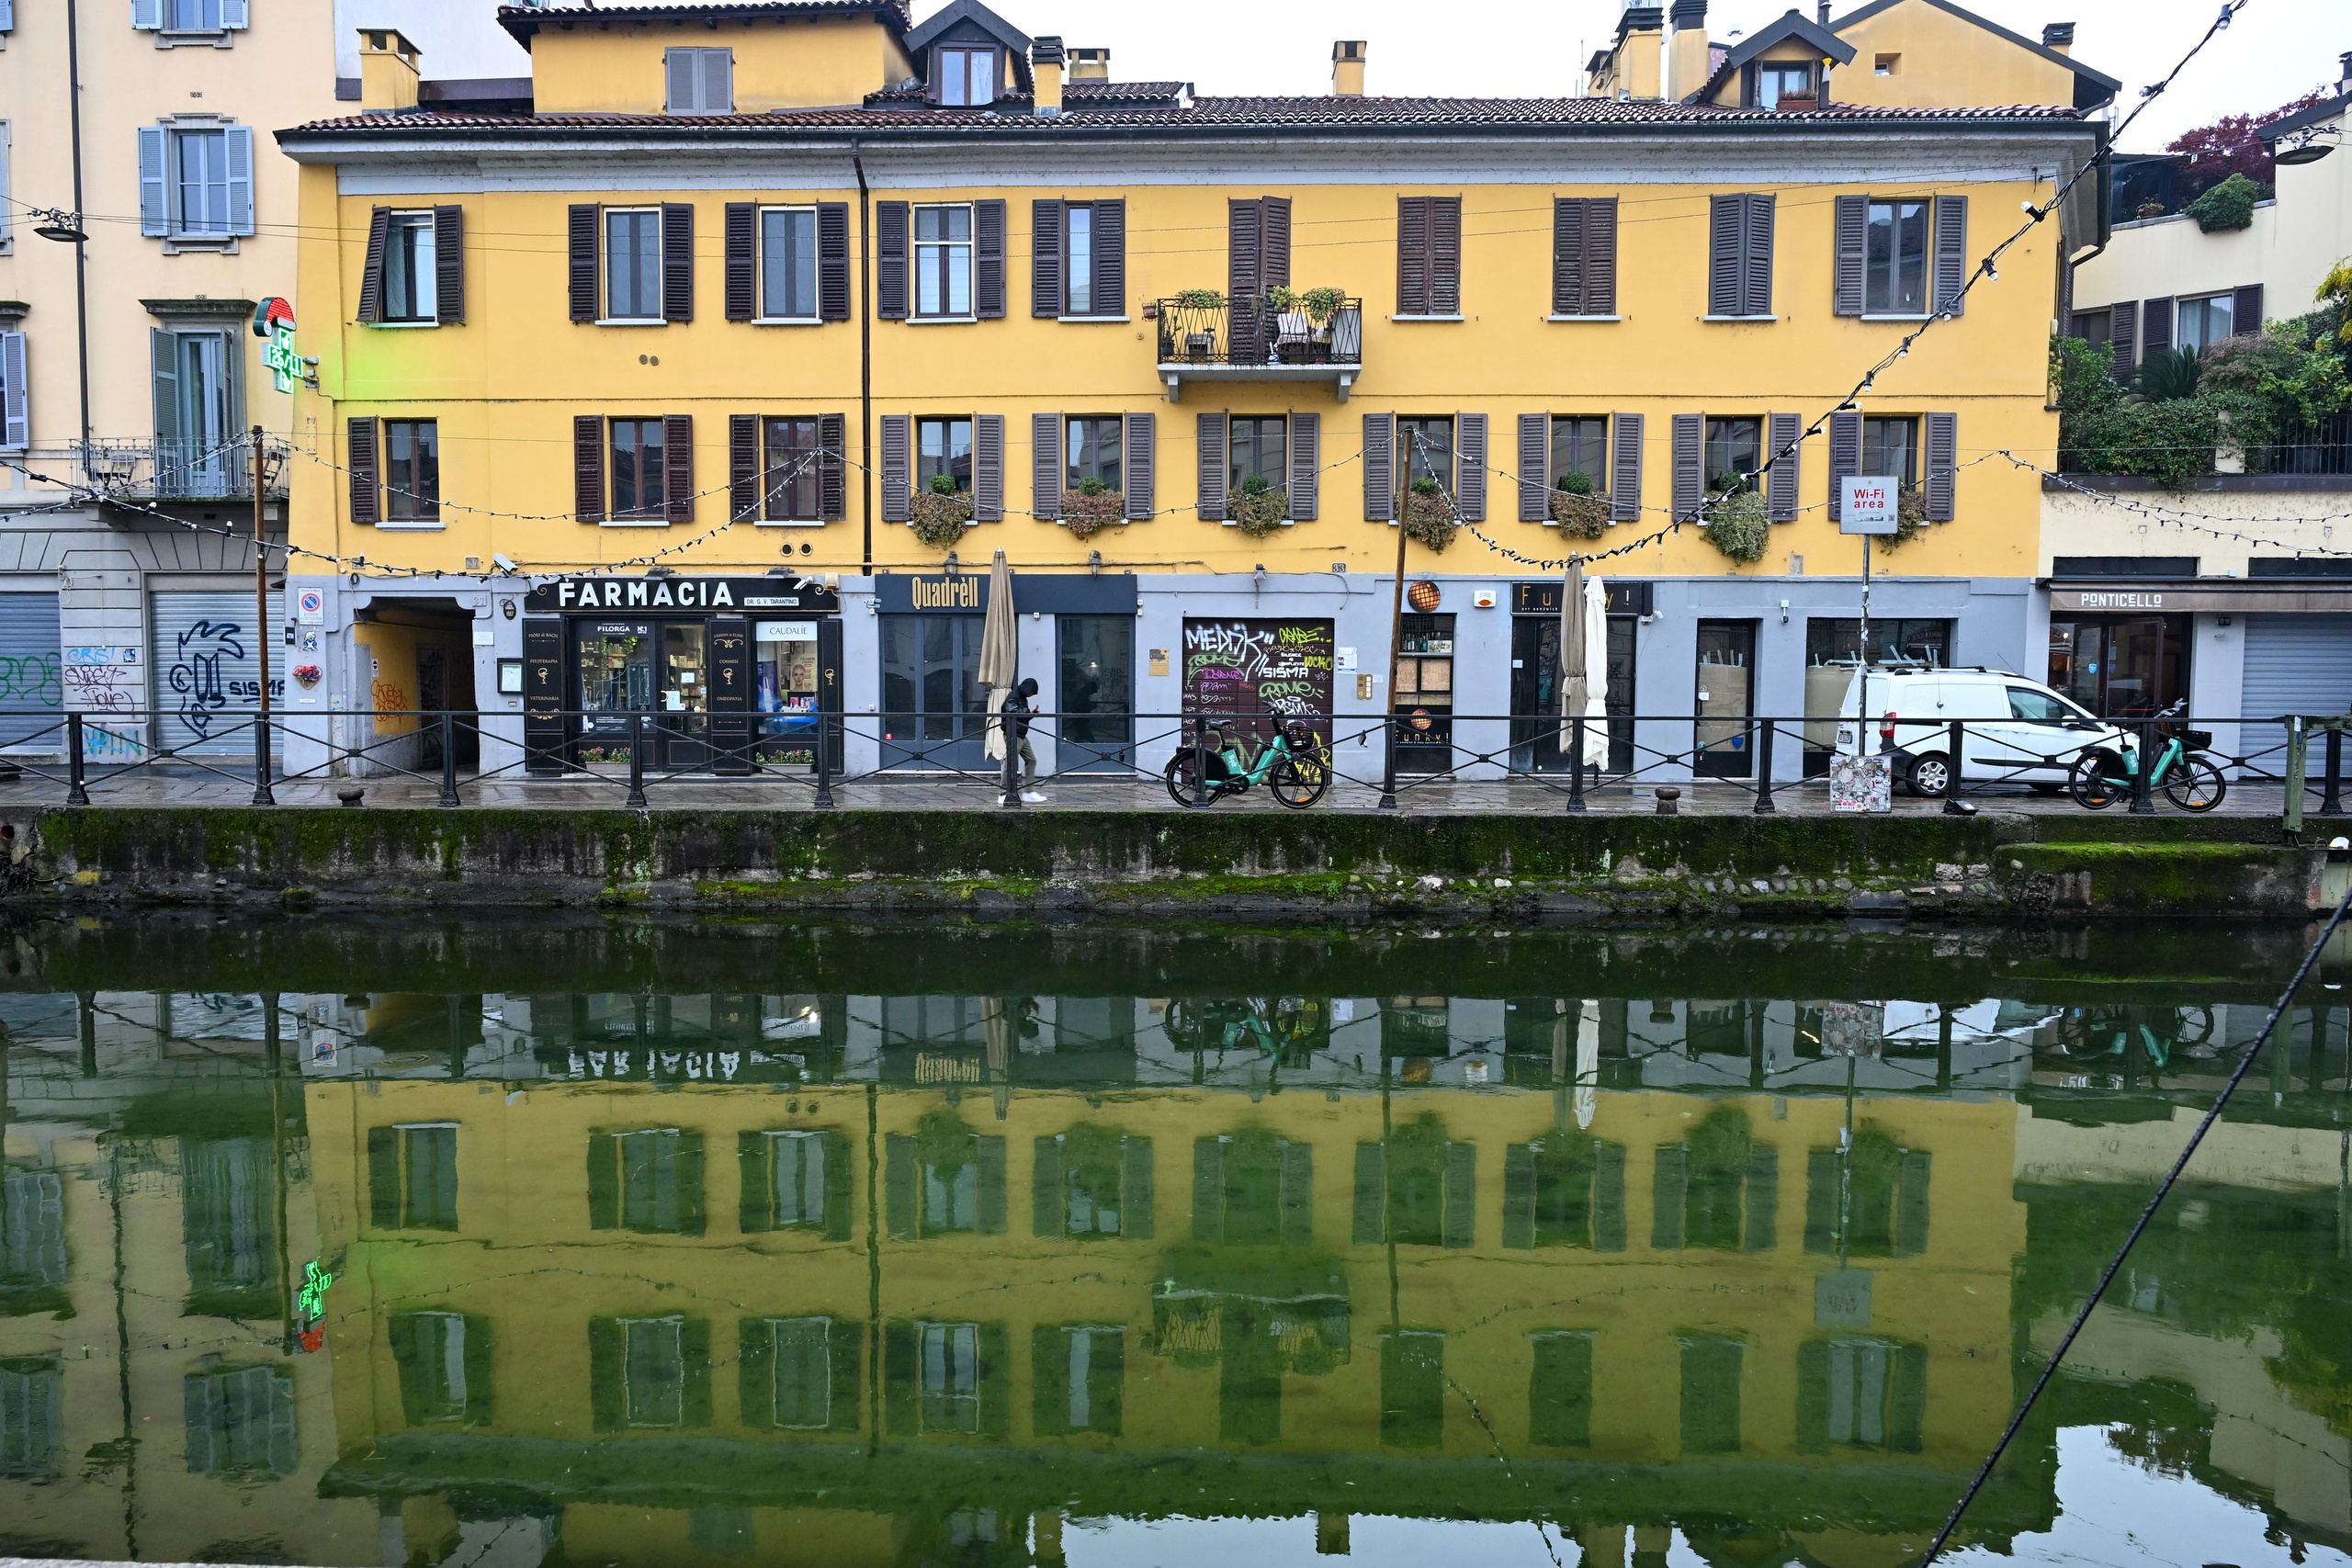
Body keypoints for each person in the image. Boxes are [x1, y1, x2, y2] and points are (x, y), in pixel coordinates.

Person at [1001, 676, 1046, 804]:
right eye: (1032, 692)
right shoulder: (1013, 696)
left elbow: (1020, 715)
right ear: (1027, 689)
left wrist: (1031, 713)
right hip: (1013, 734)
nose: (1032, 695)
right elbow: (1012, 712)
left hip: (1021, 735)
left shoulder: (1022, 697)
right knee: (1010, 764)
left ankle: (1029, 792)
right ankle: (1004, 793)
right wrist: (1028, 711)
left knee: (1031, 760)